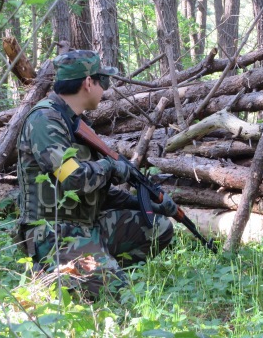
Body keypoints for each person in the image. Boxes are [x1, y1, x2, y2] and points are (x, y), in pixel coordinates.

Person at [15, 50, 176, 300]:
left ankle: (96, 268)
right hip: (53, 235)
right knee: (118, 294)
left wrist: (146, 202)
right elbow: (73, 178)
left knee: (158, 227)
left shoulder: (75, 123)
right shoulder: (45, 121)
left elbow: (96, 193)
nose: (105, 90)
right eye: (104, 82)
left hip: (86, 227)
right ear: (88, 83)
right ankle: (55, 273)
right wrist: (112, 167)